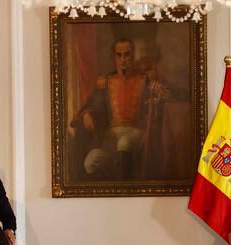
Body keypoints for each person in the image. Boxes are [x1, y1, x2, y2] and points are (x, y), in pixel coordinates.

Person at [71, 38, 169, 180]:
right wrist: (86, 114)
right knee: (90, 163)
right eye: (119, 55)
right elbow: (91, 103)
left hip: (135, 132)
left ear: (133, 55)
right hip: (110, 136)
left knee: (124, 143)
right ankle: (115, 181)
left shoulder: (145, 78)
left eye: (127, 54)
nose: (123, 59)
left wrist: (161, 93)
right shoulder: (105, 82)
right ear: (114, 57)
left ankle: (125, 188)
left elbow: (161, 97)